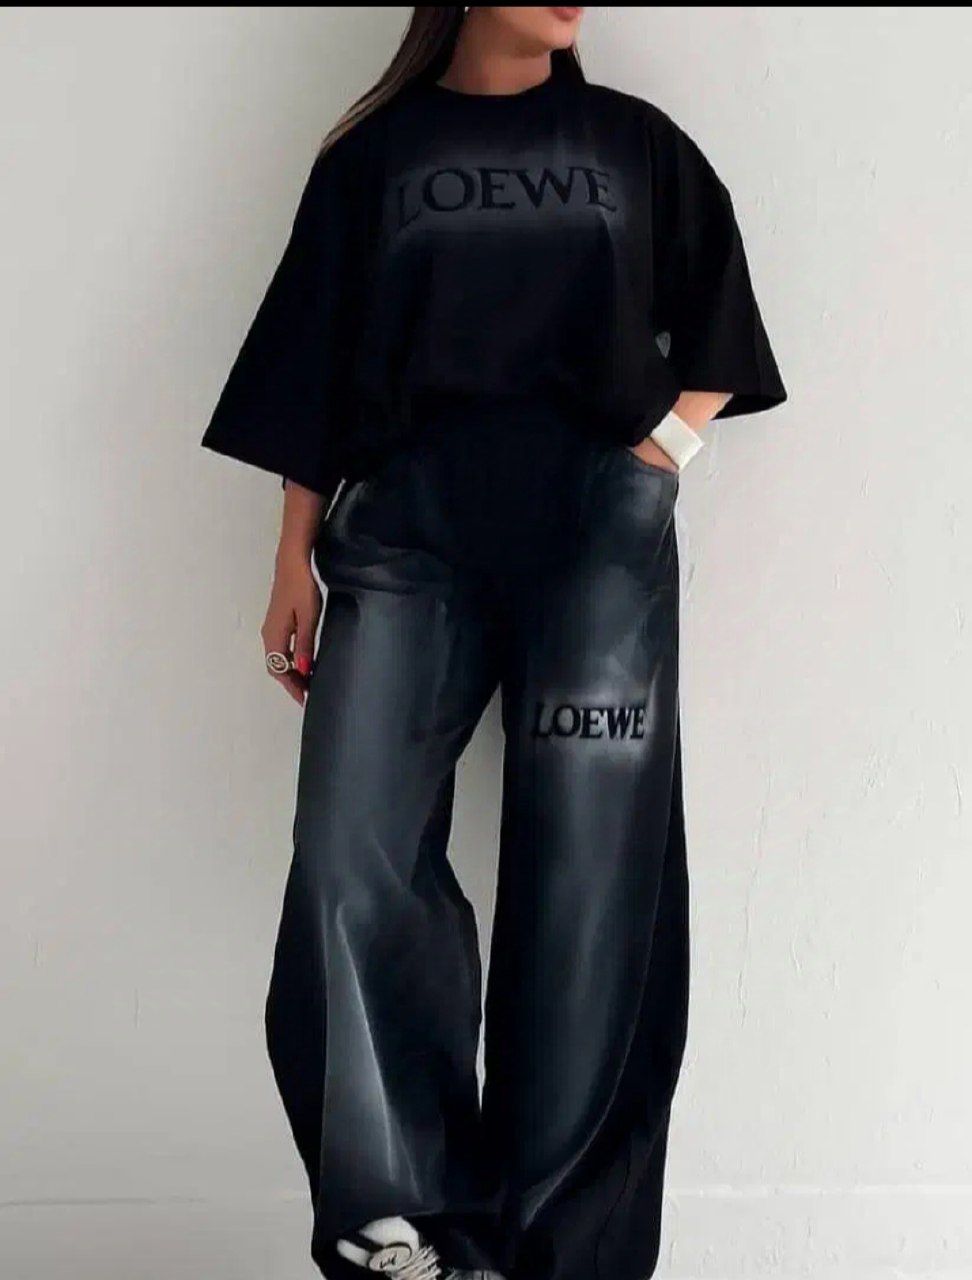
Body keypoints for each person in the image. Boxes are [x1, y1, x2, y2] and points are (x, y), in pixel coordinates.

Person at [202, 8, 786, 1280]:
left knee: (593, 879)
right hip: (404, 537)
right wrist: (290, 552)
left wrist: (658, 459)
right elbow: (314, 358)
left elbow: (723, 322)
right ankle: (407, 1225)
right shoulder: (374, 158)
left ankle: (564, 1251)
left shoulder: (636, 145)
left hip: (597, 542)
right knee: (351, 856)